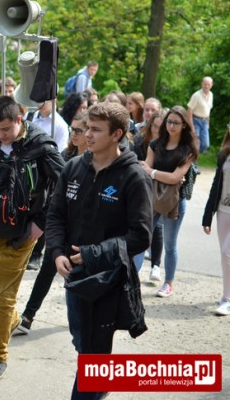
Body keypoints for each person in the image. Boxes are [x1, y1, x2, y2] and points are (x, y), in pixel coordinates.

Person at [48, 102, 152, 400]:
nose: (88, 135)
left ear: (117, 134)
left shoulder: (134, 176)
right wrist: (56, 252)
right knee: (83, 343)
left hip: (109, 279)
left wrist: (94, 253)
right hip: (74, 276)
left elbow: (141, 236)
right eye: (86, 129)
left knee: (92, 353)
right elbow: (55, 216)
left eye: (96, 130)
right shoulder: (73, 168)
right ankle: (102, 382)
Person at [0, 96, 64, 380]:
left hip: (20, 237)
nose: (1, 135)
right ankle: (13, 320)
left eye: (6, 129)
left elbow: (65, 185)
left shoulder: (41, 146)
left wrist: (41, 222)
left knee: (0, 300)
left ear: (20, 119)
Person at [16, 113, 87, 336]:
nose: (74, 134)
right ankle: (28, 316)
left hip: (84, 229)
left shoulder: (97, 161)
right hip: (61, 224)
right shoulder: (64, 156)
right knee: (47, 269)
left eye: (79, 130)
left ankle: (83, 321)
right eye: (72, 129)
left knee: (78, 278)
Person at [138, 106, 198, 298]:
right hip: (153, 197)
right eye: (169, 122)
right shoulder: (155, 144)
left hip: (175, 201)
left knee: (170, 245)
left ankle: (168, 283)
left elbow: (174, 178)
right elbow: (145, 168)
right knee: (141, 238)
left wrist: (153, 172)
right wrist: (153, 172)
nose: (171, 126)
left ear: (184, 126)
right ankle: (131, 278)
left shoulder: (188, 150)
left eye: (176, 123)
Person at [131, 109, 168, 281]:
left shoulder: (169, 144)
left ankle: (155, 265)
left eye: (161, 127)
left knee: (156, 228)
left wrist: (152, 171)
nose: (156, 130)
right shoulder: (139, 140)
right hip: (139, 188)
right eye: (154, 126)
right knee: (140, 230)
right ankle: (134, 273)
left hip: (159, 193)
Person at [202, 123, 230, 316]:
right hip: (223, 211)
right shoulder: (224, 153)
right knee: (225, 255)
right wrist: (207, 216)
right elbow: (216, 185)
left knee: (228, 252)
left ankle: (227, 299)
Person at [187, 76, 214, 153]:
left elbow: (208, 110)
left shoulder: (211, 95)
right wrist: (191, 126)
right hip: (195, 121)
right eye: (205, 84)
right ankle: (192, 156)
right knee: (195, 142)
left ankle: (194, 154)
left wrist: (208, 122)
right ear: (202, 84)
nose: (206, 86)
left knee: (206, 144)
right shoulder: (196, 95)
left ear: (211, 85)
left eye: (208, 84)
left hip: (205, 121)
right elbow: (189, 111)